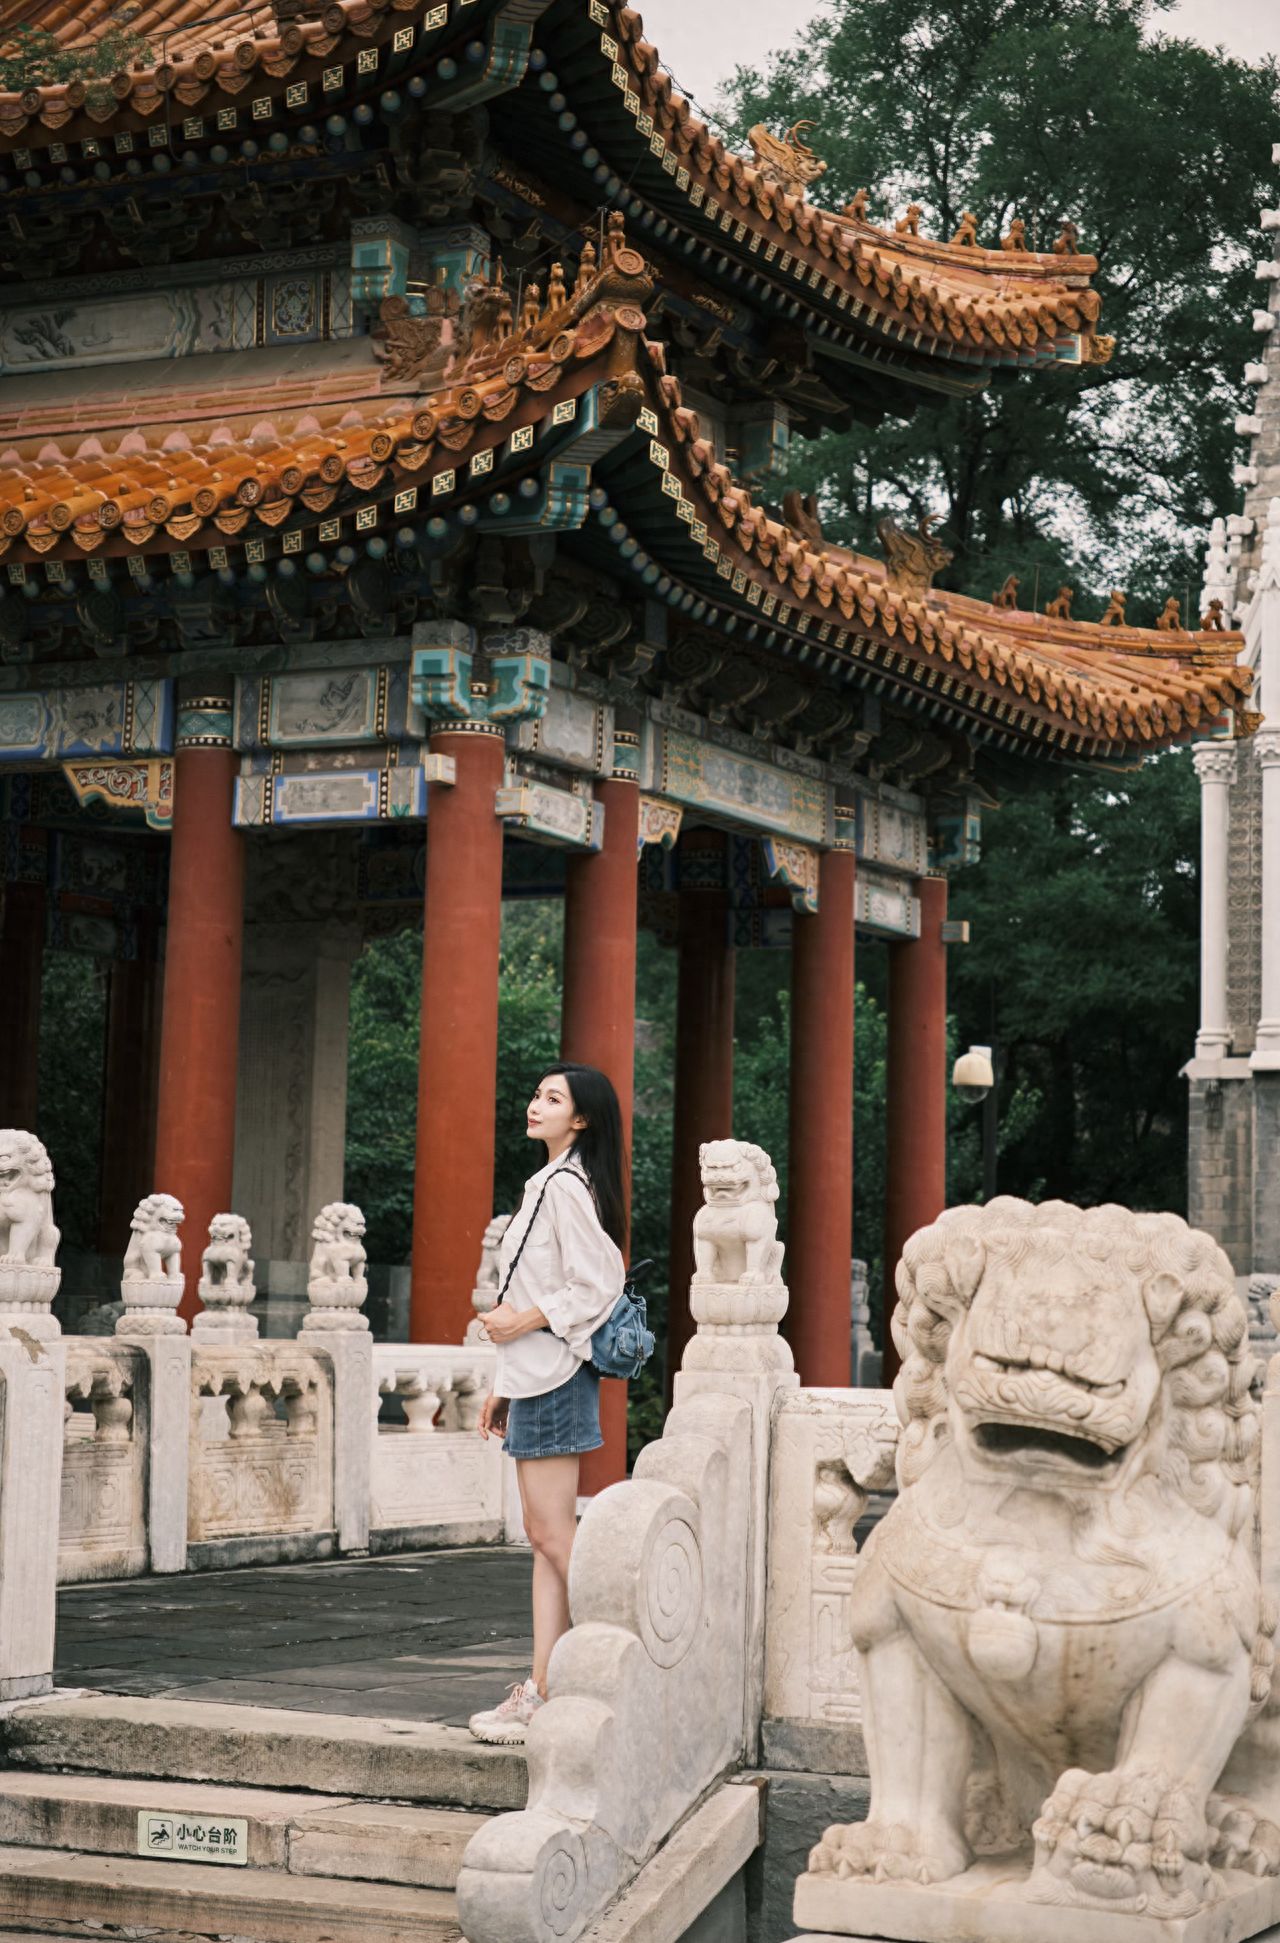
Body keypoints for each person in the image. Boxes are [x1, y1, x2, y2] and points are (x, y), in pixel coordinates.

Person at [467, 1062, 626, 1744]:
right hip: (537, 1376)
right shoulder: (548, 1181)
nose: (536, 1104)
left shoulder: (565, 1185)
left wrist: (520, 1322)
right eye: (536, 1093)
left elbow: (600, 1283)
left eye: (553, 1097)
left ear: (581, 1118)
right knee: (543, 1539)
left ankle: (629, 1648)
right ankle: (542, 1688)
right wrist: (506, 1375)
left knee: (554, 1535)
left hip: (558, 1373)